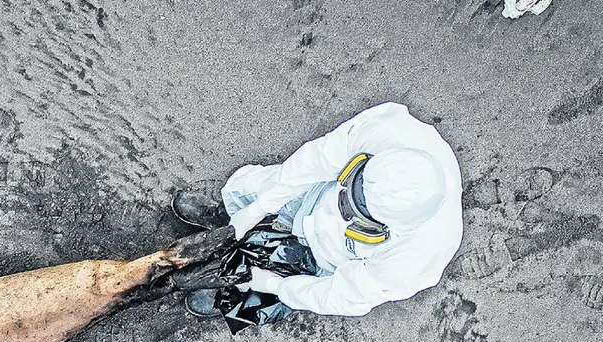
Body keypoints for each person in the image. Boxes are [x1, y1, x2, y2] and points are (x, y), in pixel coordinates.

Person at [173, 102, 463, 319]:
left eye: (351, 211)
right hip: (317, 193)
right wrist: (259, 208)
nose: (342, 207)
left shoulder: (413, 259)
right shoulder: (388, 133)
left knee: (287, 295)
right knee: (266, 186)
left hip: (333, 259)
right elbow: (312, 162)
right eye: (351, 189)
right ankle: (229, 214)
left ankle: (235, 297)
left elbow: (338, 295)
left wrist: (276, 285)